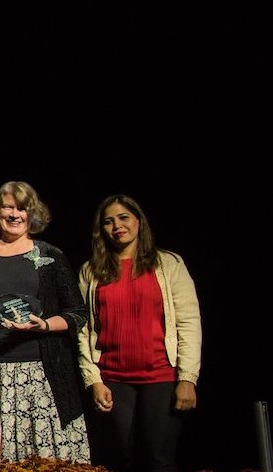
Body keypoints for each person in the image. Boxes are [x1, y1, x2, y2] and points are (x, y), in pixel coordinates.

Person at [0, 181, 90, 463]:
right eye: (7, 207)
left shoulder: (51, 256)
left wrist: (43, 325)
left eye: (21, 208)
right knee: (7, 460)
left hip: (46, 376)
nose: (14, 214)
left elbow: (77, 312)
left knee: (50, 461)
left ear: (32, 213)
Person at [78, 194, 202, 472]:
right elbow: (83, 330)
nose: (117, 226)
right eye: (108, 221)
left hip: (161, 376)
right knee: (121, 460)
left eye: (124, 218)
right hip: (113, 380)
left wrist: (187, 378)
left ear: (139, 221)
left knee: (158, 460)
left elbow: (189, 323)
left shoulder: (168, 264)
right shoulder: (91, 271)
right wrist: (93, 380)